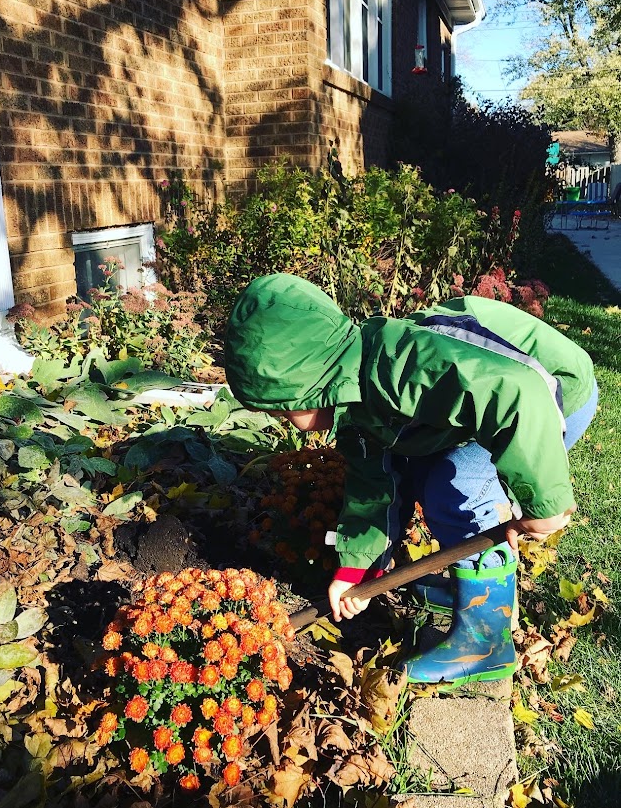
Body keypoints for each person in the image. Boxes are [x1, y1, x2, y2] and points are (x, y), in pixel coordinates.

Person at [224, 273, 597, 686]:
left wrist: (543, 503)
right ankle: (465, 588)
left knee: (453, 487)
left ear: (308, 383)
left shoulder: (402, 368)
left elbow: (518, 395)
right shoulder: (355, 404)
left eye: (282, 410)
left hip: (551, 391)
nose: (285, 422)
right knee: (417, 468)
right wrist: (358, 567)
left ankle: (486, 638)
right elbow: (373, 487)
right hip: (496, 405)